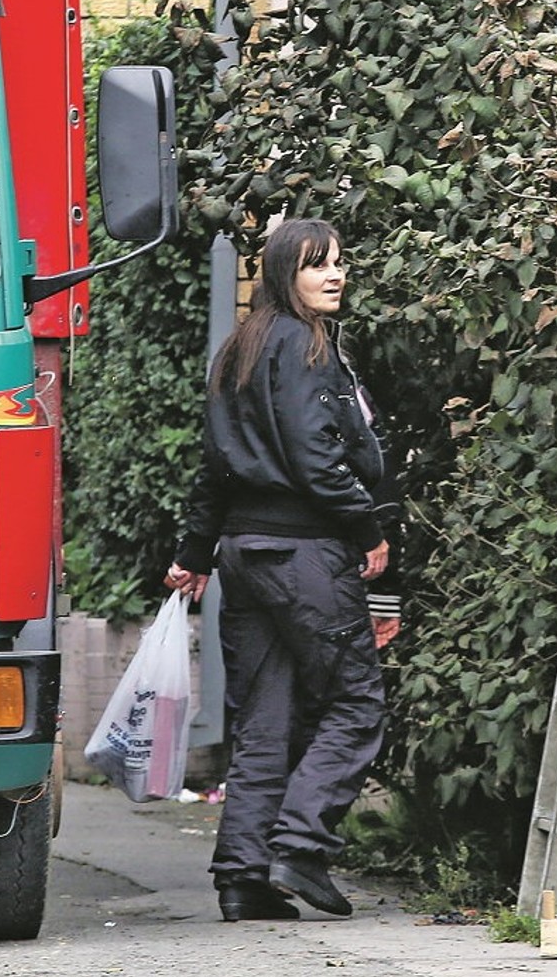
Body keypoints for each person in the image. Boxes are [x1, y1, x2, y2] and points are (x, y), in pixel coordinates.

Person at [165, 217, 400, 923]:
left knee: (264, 720)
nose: (335, 275)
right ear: (282, 275)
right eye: (316, 265)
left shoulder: (241, 346)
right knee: (357, 703)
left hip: (245, 554)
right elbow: (314, 455)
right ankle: (299, 846)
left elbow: (215, 465)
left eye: (339, 263)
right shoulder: (305, 346)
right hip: (305, 553)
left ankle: (243, 879)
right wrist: (367, 529)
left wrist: (194, 552)